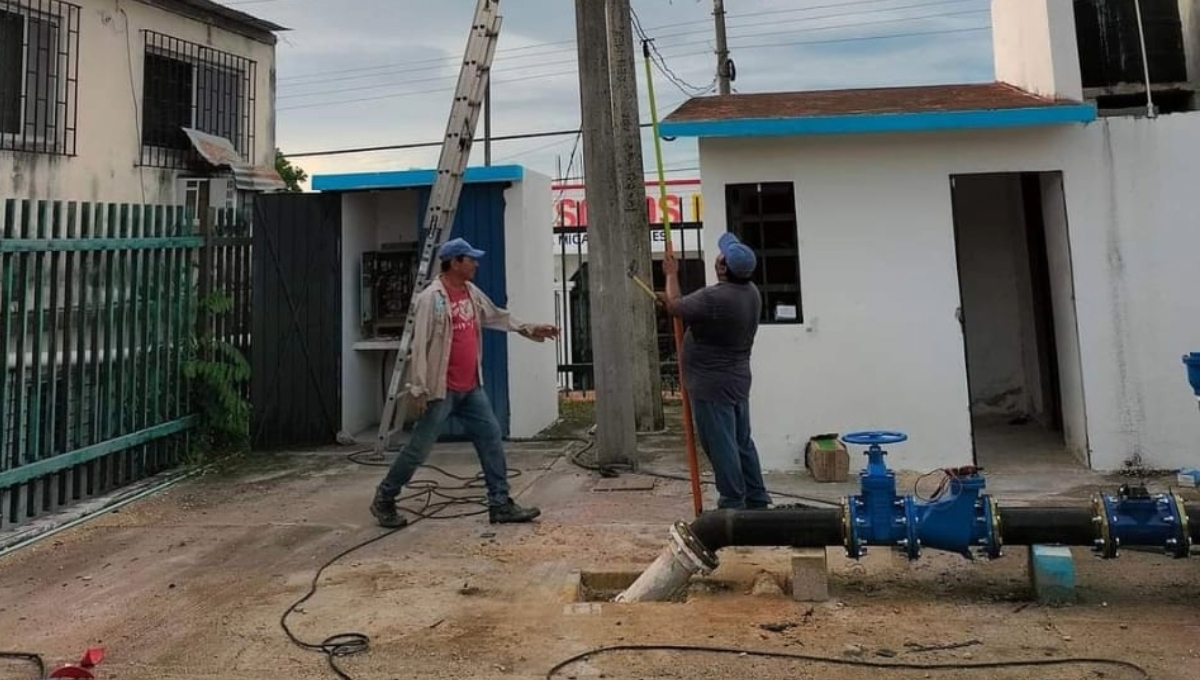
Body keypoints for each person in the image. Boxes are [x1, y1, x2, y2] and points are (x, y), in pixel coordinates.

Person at [370, 237, 560, 529]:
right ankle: (385, 497)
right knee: (418, 450)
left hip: (471, 388)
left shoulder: (470, 292)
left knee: (491, 439)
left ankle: (500, 503)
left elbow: (497, 316)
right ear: (455, 262)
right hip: (440, 390)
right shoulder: (430, 299)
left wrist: (531, 328)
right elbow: (418, 346)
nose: (476, 264)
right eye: (470, 259)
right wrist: (418, 388)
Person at [658, 232, 771, 510]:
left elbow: (675, 307)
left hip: (712, 386)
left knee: (722, 446)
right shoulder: (751, 293)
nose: (719, 256)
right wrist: (673, 298)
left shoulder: (715, 297)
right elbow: (686, 306)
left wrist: (671, 275)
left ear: (722, 268)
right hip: (737, 380)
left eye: (722, 256)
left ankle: (733, 504)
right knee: (741, 442)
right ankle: (756, 498)